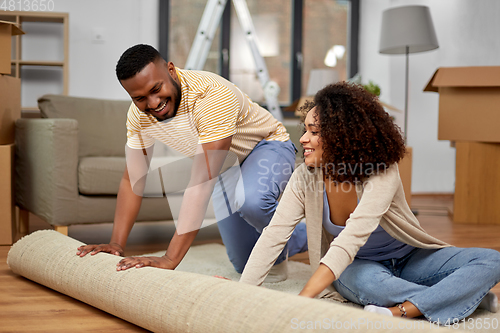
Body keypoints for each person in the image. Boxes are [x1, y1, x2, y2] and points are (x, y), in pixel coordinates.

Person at [239, 81, 500, 323]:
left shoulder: (382, 170)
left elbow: (354, 233)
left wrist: (301, 301)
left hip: (411, 258)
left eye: (314, 131)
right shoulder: (304, 178)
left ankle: (402, 310)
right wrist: (240, 292)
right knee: (371, 284)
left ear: (342, 135)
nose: (303, 139)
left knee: (491, 260)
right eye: (305, 130)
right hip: (358, 266)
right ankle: (462, 298)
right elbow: (275, 235)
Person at [76, 44, 307, 280]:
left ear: (171, 70)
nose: (153, 103)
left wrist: (170, 258)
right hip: (225, 170)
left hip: (266, 146)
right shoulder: (138, 116)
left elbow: (201, 183)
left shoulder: (210, 95)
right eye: (140, 98)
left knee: (252, 202)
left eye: (157, 89)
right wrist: (116, 244)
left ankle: (317, 232)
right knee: (244, 262)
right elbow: (132, 179)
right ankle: (293, 238)